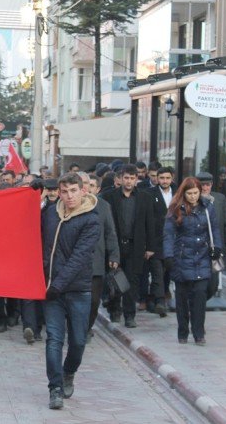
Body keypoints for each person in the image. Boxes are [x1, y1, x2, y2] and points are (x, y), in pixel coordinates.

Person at [42, 172, 100, 410]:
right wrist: (33, 194)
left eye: (73, 191)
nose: (69, 196)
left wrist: (58, 284)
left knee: (77, 340)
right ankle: (55, 388)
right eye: (64, 192)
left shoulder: (92, 219)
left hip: (78, 289)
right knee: (54, 339)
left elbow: (79, 258)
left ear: (83, 190)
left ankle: (69, 372)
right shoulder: (50, 214)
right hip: (52, 291)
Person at [163, 177, 223, 346]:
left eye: (196, 193)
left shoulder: (207, 208)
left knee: (199, 297)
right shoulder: (176, 209)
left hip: (202, 257)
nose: (193, 197)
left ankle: (199, 333)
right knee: (182, 299)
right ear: (183, 193)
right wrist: (168, 256)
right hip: (181, 258)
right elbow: (168, 234)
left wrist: (217, 246)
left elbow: (215, 228)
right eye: (189, 193)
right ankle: (182, 331)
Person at [101, 164, 155, 328]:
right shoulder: (109, 197)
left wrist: (150, 246)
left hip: (135, 246)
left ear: (137, 179)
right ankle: (114, 310)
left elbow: (150, 224)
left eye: (132, 178)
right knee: (115, 279)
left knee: (132, 281)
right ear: (120, 178)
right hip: (115, 245)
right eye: (126, 178)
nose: (129, 181)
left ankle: (130, 315)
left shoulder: (144, 198)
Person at [77, 172, 119, 339]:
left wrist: (114, 256)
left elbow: (110, 232)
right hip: (73, 263)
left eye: (88, 183)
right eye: (81, 183)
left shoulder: (102, 205)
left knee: (94, 301)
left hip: (96, 261)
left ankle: (87, 328)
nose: (85, 187)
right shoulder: (66, 204)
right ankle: (75, 329)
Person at [145, 166, 175, 316]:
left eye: (167, 178)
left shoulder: (177, 193)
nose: (164, 181)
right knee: (157, 272)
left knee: (167, 271)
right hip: (156, 240)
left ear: (172, 178)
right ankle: (159, 302)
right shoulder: (150, 194)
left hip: (173, 240)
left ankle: (154, 297)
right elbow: (148, 219)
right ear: (157, 178)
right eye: (161, 178)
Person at [197, 172, 226, 258]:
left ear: (212, 184)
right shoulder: (192, 200)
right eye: (202, 185)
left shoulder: (220, 199)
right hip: (198, 246)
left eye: (207, 185)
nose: (205, 188)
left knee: (216, 270)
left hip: (216, 245)